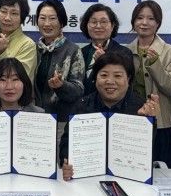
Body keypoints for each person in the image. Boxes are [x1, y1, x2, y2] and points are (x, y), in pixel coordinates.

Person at [59, 52, 160, 181]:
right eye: (104, 75)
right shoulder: (82, 106)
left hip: (129, 178)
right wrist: (66, 162)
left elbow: (147, 152)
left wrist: (149, 122)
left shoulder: (140, 108)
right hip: (86, 179)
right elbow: (66, 144)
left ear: (128, 79)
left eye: (118, 76)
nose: (110, 81)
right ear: (95, 78)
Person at [125, 0, 171, 168]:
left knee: (163, 172)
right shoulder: (126, 51)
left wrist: (155, 64)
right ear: (133, 22)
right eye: (139, 18)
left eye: (151, 18)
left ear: (158, 23)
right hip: (132, 121)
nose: (144, 22)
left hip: (162, 123)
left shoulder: (170, 51)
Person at [34, 0, 85, 145]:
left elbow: (78, 89)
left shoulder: (73, 50)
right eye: (42, 18)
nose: (47, 23)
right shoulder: (33, 49)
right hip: (33, 118)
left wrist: (61, 86)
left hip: (61, 121)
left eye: (52, 18)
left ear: (61, 22)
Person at [80, 3, 133, 96]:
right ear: (86, 25)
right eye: (93, 22)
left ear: (112, 26)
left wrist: (103, 61)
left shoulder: (124, 53)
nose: (98, 26)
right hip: (83, 103)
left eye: (103, 22)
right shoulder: (81, 52)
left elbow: (127, 86)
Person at [0, 0, 37, 81]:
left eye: (14, 13)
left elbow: (19, 79)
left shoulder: (28, 45)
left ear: (22, 17)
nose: (7, 18)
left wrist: (1, 54)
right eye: (3, 11)